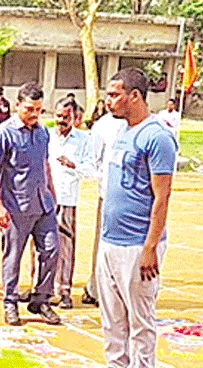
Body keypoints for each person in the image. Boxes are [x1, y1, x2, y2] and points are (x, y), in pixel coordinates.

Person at [85, 68, 176, 368]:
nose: (109, 101)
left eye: (115, 94)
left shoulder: (158, 137)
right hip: (110, 239)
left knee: (140, 315)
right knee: (111, 314)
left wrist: (150, 246)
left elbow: (162, 196)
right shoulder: (121, 131)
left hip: (138, 243)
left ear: (135, 96)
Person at [0, 81, 61, 327]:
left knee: (51, 250)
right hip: (16, 205)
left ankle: (41, 299)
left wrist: (52, 192)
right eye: (29, 109)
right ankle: (10, 302)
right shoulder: (3, 133)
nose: (34, 115)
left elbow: (45, 163)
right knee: (13, 256)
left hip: (43, 204)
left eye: (39, 110)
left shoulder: (42, 132)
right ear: (17, 105)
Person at [46, 99, 94, 308]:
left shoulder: (84, 139)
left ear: (75, 118)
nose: (61, 121)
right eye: (58, 116)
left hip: (66, 199)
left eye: (66, 117)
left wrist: (73, 165)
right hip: (45, 198)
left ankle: (64, 290)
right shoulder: (45, 136)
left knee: (65, 246)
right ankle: (41, 289)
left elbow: (91, 170)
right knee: (41, 246)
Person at [82, 99, 128, 307]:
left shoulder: (145, 126)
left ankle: (122, 290)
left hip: (134, 198)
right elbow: (95, 160)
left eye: (116, 95)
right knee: (103, 245)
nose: (110, 101)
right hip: (108, 195)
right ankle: (97, 288)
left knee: (129, 249)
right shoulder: (103, 126)